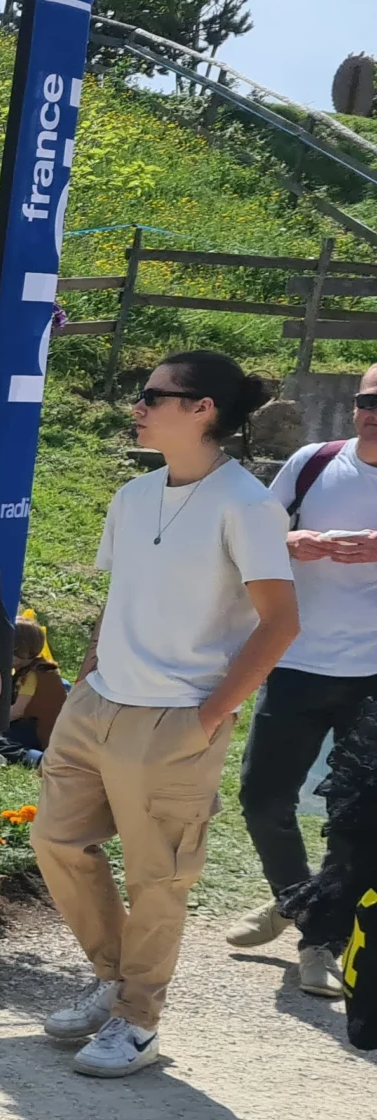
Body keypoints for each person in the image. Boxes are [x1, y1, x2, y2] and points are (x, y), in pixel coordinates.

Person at [32, 350, 299, 1075]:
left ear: (202, 409)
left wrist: (208, 718)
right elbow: (121, 597)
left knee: (159, 878)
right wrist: (86, 680)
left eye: (154, 395)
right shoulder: (133, 496)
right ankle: (116, 979)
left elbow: (279, 623)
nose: (138, 406)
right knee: (56, 842)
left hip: (178, 716)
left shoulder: (247, 505)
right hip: (100, 704)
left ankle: (138, 1020)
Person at [223, 359, 377, 1000]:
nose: (373, 413)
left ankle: (319, 940)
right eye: (368, 400)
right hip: (293, 660)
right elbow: (257, 532)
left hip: (373, 675)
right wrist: (295, 541)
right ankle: (300, 898)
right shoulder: (314, 461)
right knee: (262, 797)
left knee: (357, 822)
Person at [6, 612, 69, 756]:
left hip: (39, 734)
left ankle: (33, 757)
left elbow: (16, 712)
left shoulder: (31, 676)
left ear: (20, 652)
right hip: (54, 730)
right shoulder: (40, 667)